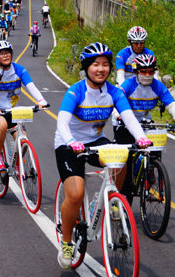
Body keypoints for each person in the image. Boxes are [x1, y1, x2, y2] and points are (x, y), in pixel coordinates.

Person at [54, 42, 151, 269]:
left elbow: (128, 117)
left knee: (120, 157)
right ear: (87, 67)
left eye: (106, 65)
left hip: (96, 142)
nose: (101, 69)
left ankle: (112, 200)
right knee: (76, 194)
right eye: (96, 65)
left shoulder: (115, 93)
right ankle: (66, 243)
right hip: (69, 144)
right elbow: (62, 123)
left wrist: (141, 139)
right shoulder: (76, 91)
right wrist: (71, 142)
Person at [0, 41, 48, 172]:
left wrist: (41, 100)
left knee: (23, 139)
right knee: (2, 126)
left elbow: (31, 87)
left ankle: (16, 164)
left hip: (12, 111)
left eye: (7, 53)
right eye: (2, 53)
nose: (6, 55)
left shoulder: (19, 70)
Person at [113, 54, 175, 144]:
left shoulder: (158, 86)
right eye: (143, 71)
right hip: (127, 120)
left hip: (145, 120)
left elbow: (171, 104)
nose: (147, 75)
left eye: (151, 72)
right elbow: (116, 101)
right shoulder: (128, 84)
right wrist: (118, 115)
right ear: (136, 72)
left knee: (154, 149)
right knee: (125, 152)